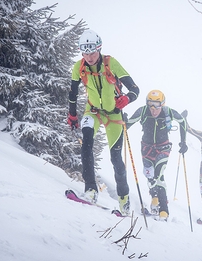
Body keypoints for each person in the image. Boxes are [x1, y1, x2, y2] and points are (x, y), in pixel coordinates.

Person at [67, 29, 139, 215]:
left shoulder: (111, 63)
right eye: (85, 53)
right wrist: (72, 115)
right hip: (92, 111)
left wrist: (127, 99)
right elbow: (73, 93)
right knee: (86, 144)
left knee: (116, 158)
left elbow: (134, 88)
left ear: (99, 49)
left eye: (92, 52)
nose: (89, 57)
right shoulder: (79, 67)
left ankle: (124, 200)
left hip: (114, 114)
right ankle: (91, 190)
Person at [125, 90, 188, 221]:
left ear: (162, 104)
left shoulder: (168, 112)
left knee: (158, 175)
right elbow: (127, 125)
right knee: (150, 176)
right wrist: (124, 122)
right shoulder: (142, 111)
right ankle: (154, 199)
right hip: (146, 148)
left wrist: (183, 142)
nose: (153, 110)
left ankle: (164, 211)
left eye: (157, 106)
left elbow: (182, 121)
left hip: (163, 148)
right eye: (151, 105)